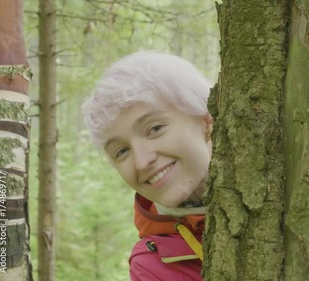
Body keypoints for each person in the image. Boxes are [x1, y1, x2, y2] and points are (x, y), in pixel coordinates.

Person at [81, 51, 213, 281]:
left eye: (155, 129)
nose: (142, 162)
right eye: (122, 151)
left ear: (205, 119)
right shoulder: (151, 267)